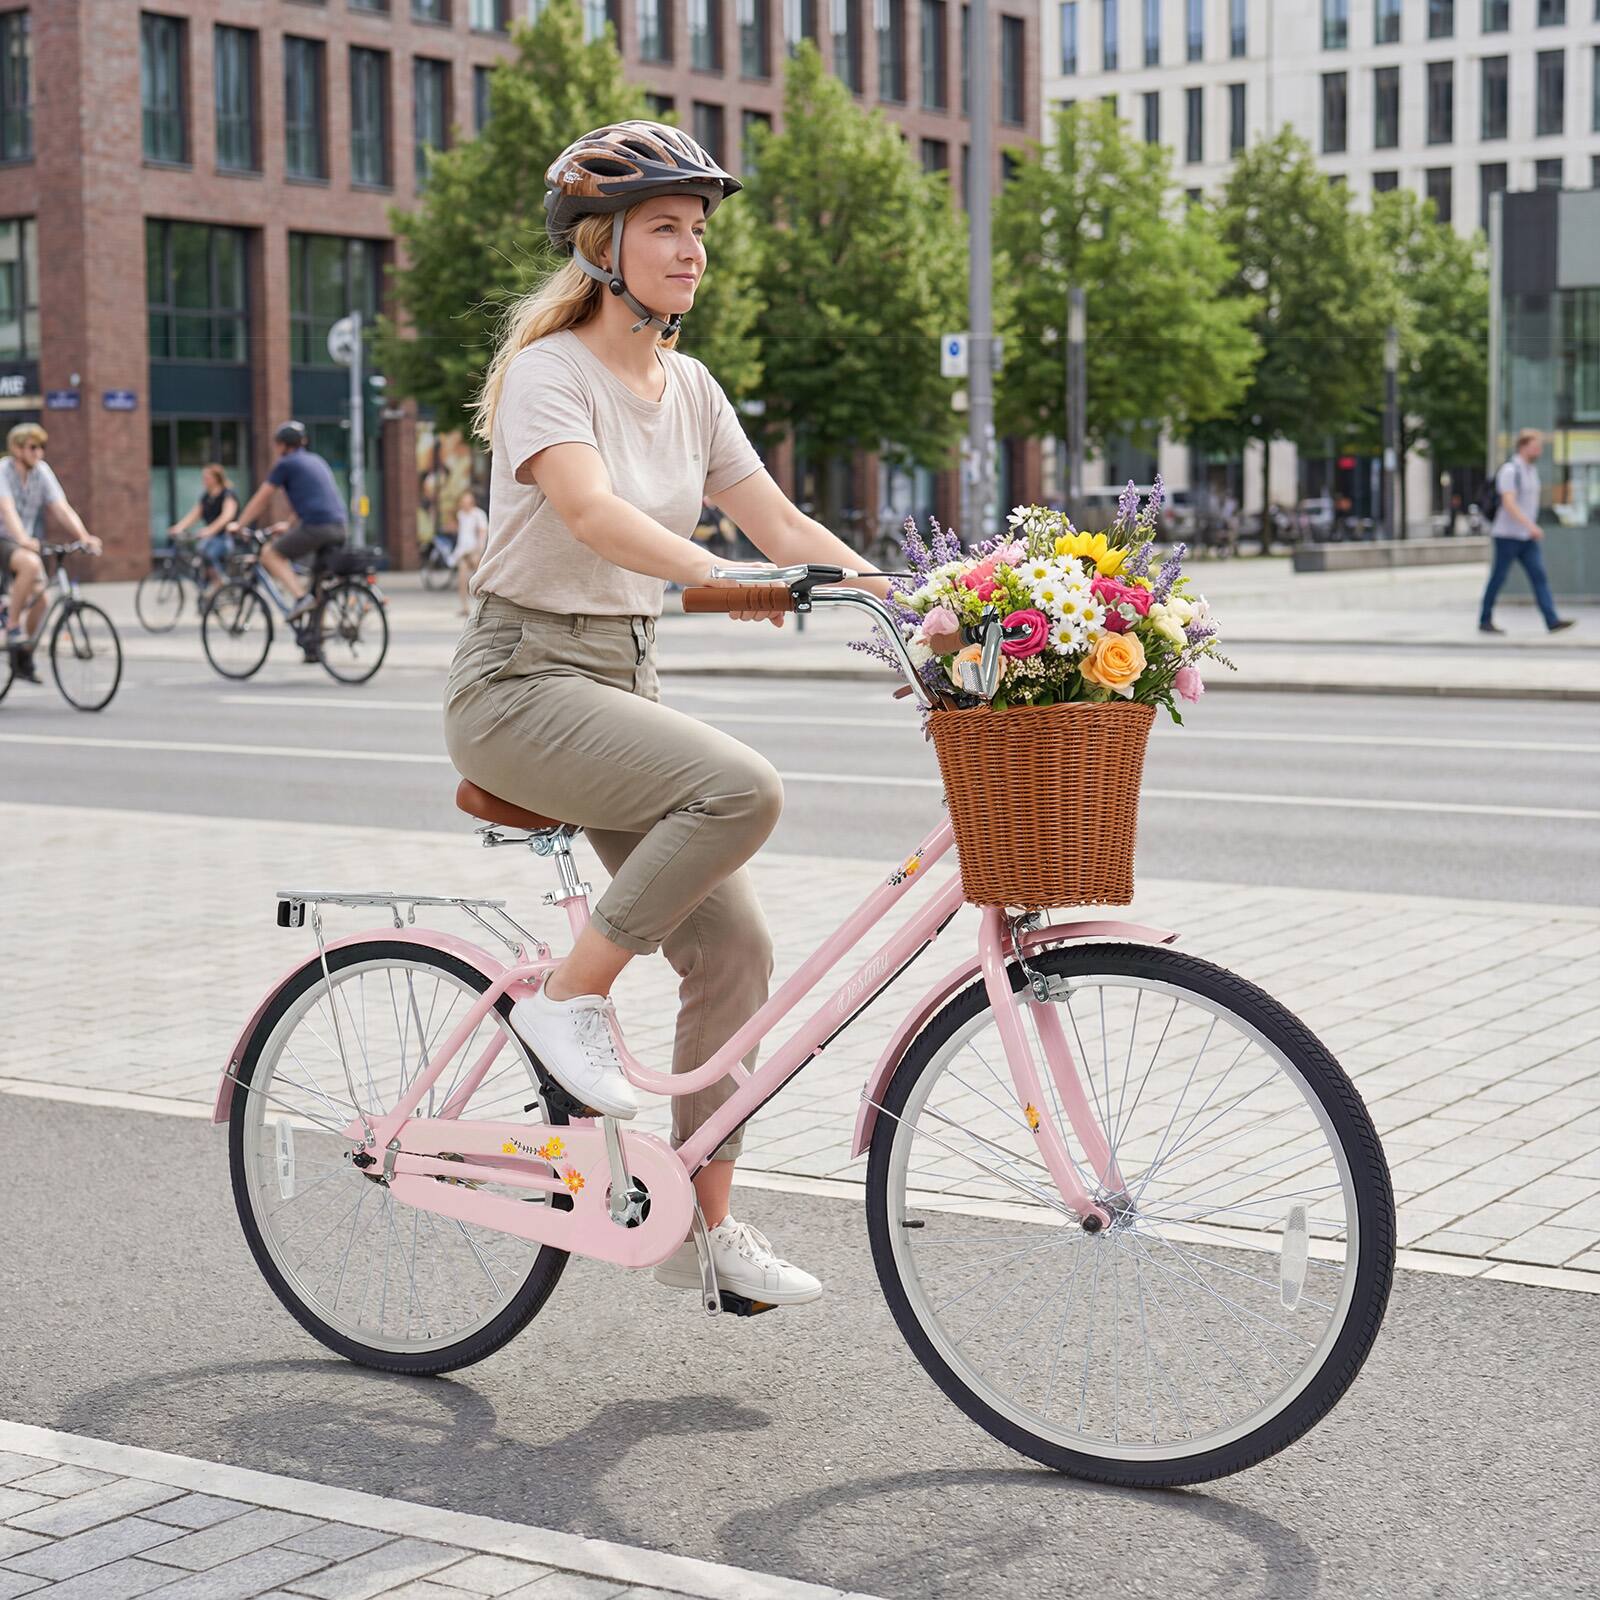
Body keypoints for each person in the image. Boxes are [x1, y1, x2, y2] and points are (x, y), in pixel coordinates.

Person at [445, 120, 891, 1307]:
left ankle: (705, 1232)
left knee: (734, 949)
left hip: (620, 679)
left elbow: (784, 527)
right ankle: (568, 998)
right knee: (741, 786)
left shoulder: (688, 387)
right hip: (520, 683)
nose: (690, 251)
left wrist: (912, 602)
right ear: (602, 247)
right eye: (664, 229)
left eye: (697, 231)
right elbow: (590, 517)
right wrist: (716, 577)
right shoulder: (550, 374)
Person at [0, 423, 102, 683]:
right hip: (5, 538)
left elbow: (61, 508)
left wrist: (83, 536)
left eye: (42, 447)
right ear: (16, 449)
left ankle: (23, 655)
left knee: (43, 601)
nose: (39, 453)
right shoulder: (2, 471)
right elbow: (7, 509)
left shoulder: (42, 472)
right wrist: (23, 538)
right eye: (33, 447)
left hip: (22, 542)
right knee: (31, 564)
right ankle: (12, 625)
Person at [229, 422, 347, 639]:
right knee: (317, 583)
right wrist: (288, 524)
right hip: (339, 527)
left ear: (282, 445)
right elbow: (316, 499)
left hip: (317, 527)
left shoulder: (286, 464)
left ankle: (300, 598)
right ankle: (314, 643)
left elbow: (262, 498)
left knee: (269, 554)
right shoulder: (316, 460)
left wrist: (240, 524)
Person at [1479, 429, 1576, 636]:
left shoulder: (1531, 471)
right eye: (1536, 445)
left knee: (1539, 576)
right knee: (1498, 578)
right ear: (1523, 446)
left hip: (1526, 537)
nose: (1539, 450)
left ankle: (1552, 621)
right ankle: (1484, 619)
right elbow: (1509, 503)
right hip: (1507, 535)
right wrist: (1530, 525)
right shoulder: (1510, 470)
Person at [167, 463, 239, 596]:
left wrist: (210, 530)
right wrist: (179, 527)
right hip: (210, 537)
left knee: (208, 553)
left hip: (225, 537)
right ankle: (207, 590)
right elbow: (194, 515)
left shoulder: (227, 494)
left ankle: (220, 582)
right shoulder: (206, 497)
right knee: (199, 555)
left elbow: (227, 516)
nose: (203, 480)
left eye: (206, 477)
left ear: (216, 478)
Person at [452, 489, 487, 617]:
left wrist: (479, 551)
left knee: (479, 581)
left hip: (475, 551)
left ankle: (481, 607)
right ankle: (465, 607)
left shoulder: (478, 515)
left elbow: (482, 533)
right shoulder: (461, 515)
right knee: (462, 578)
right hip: (463, 551)